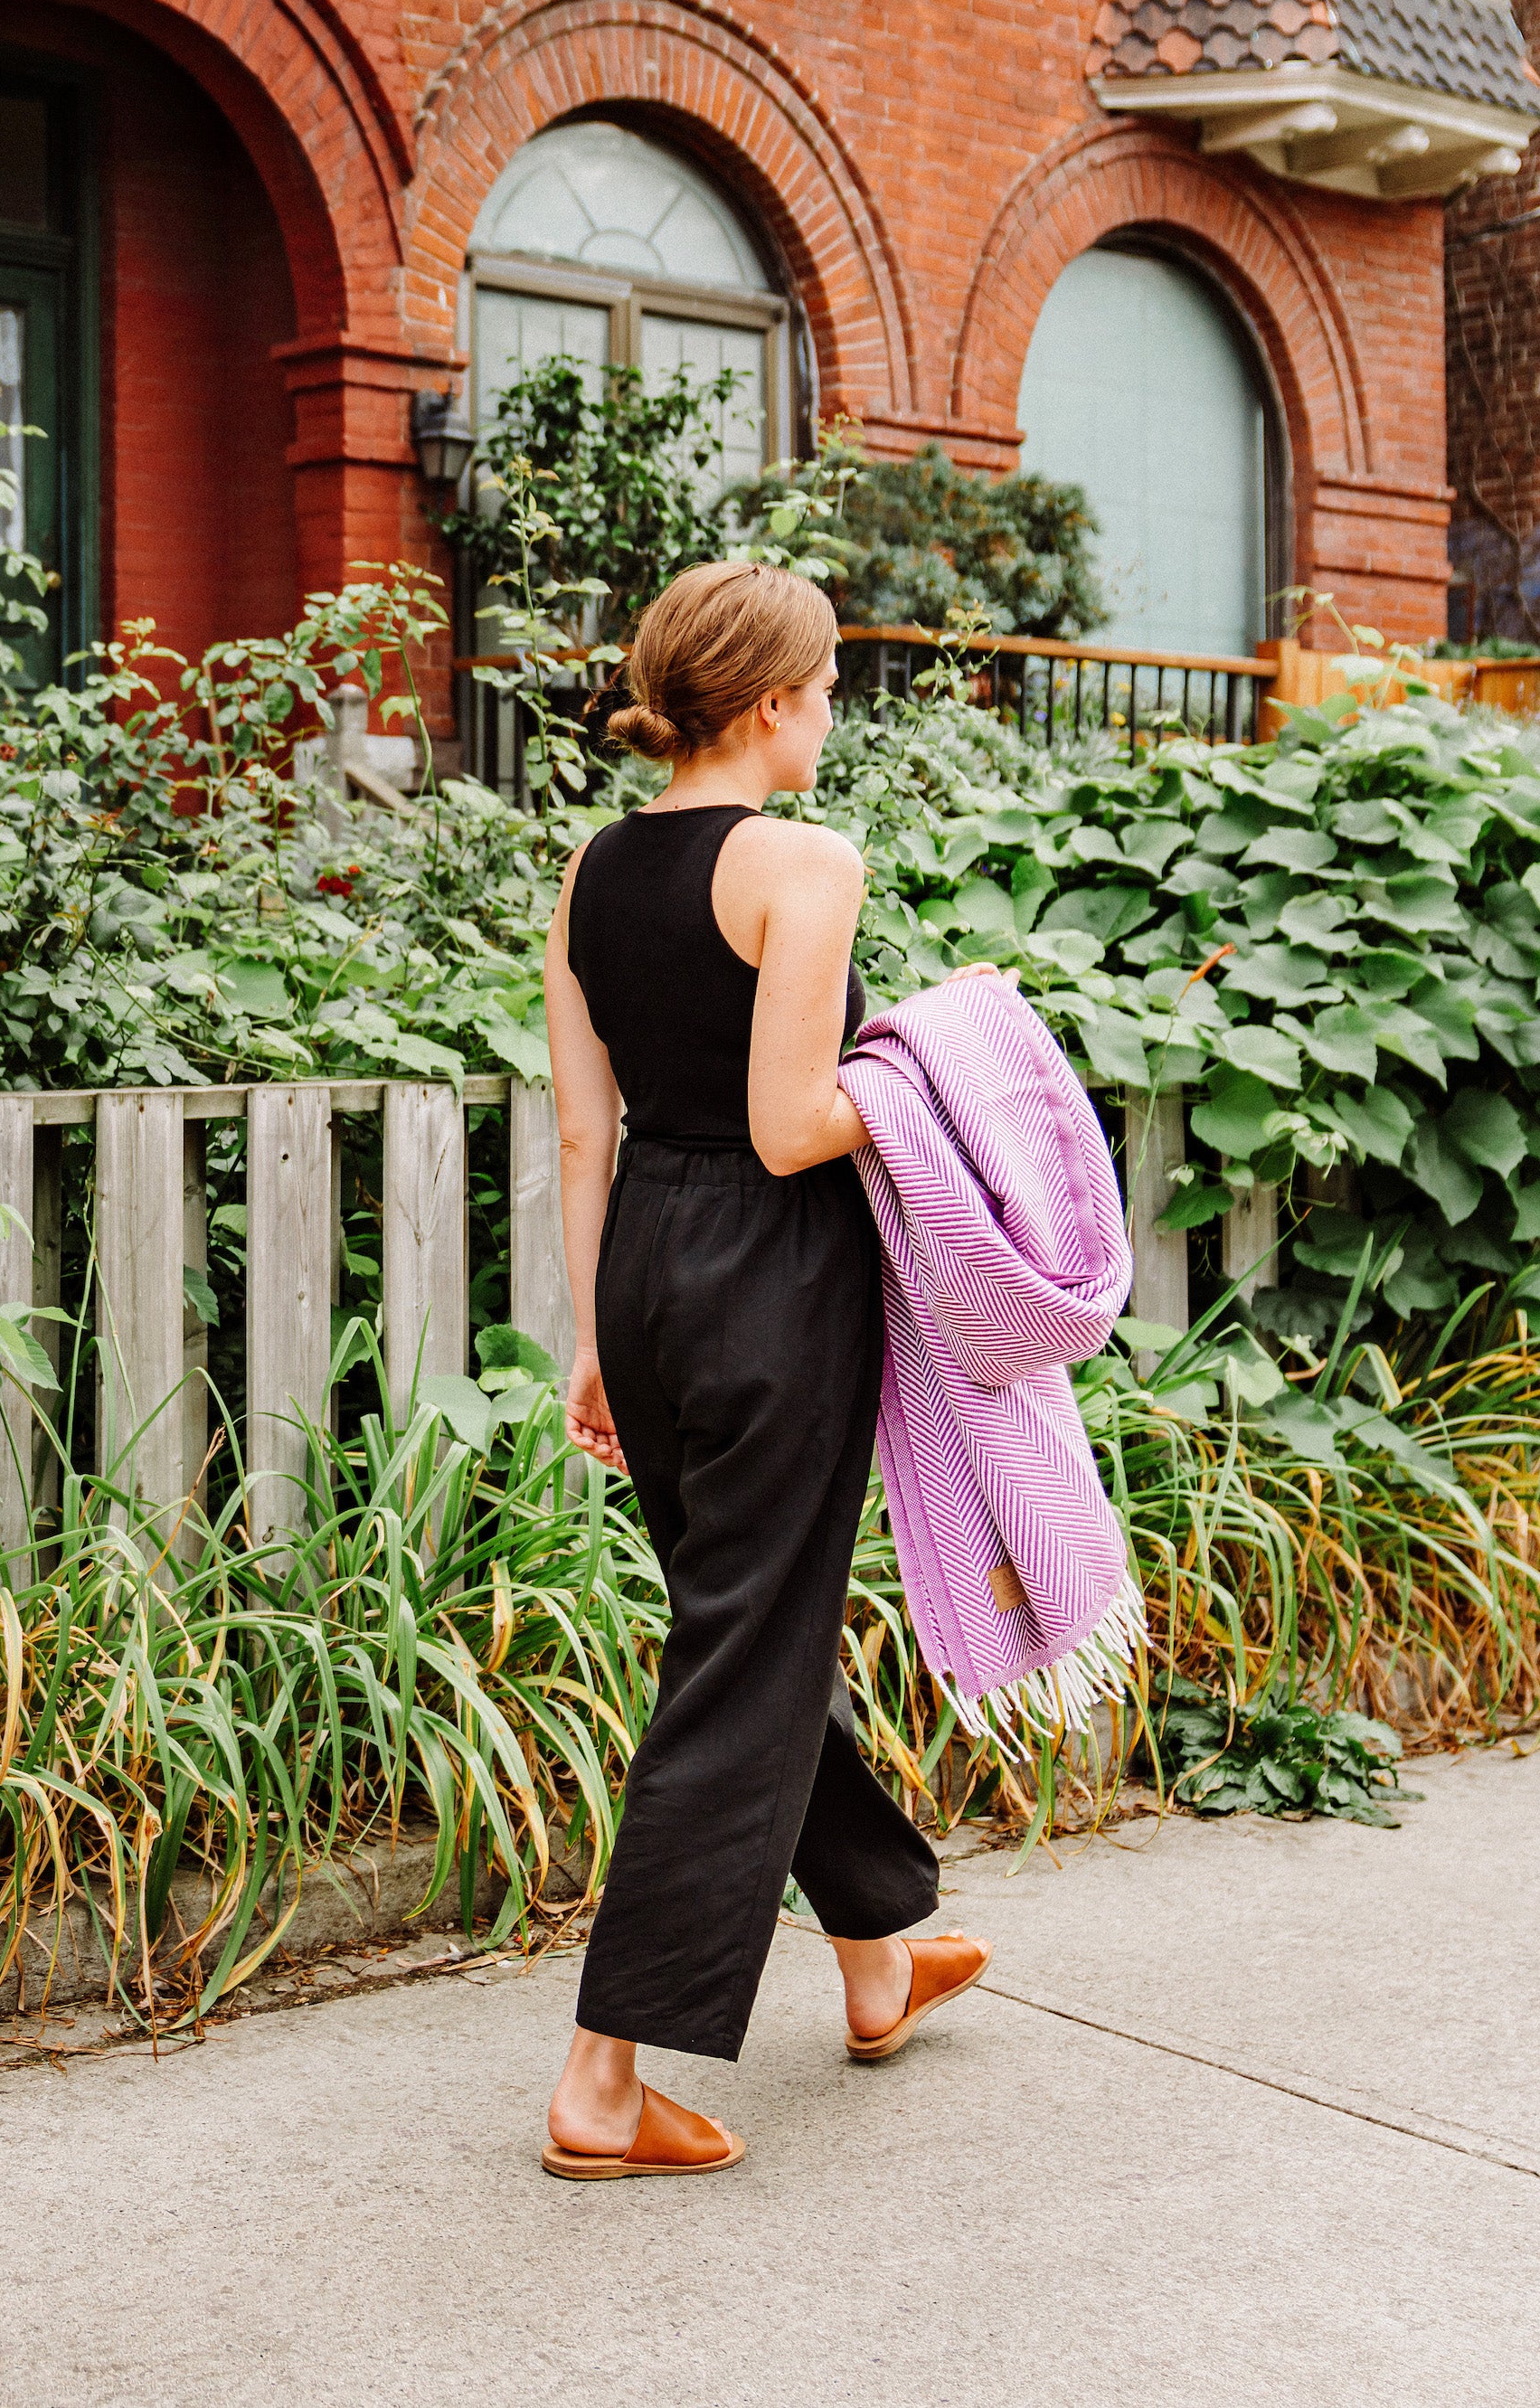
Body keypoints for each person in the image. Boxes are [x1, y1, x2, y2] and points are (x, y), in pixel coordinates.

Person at [534, 559, 991, 2182]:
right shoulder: (804, 862)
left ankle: (879, 1956)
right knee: (742, 1650)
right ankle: (603, 2078)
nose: (835, 710)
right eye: (830, 684)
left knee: (751, 1621)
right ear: (779, 698)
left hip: (651, 1268)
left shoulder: (591, 869)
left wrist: (594, 1332)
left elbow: (586, 1130)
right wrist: (957, 1072)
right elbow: (800, 1121)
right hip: (774, 1275)